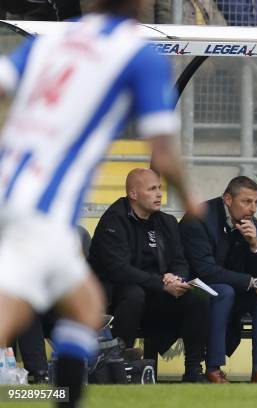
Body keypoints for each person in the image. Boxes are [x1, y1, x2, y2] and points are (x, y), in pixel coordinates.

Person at [0, 0, 200, 406]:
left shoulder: (56, 39)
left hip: (15, 185)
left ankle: (65, 398)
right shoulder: (136, 52)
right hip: (40, 203)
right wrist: (191, 197)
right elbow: (161, 153)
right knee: (13, 308)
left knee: (86, 305)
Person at [88, 168, 209, 382]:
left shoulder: (167, 222)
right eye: (152, 189)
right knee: (134, 293)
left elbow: (180, 260)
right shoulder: (113, 221)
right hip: (118, 296)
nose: (159, 194)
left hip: (156, 294)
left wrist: (176, 278)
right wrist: (161, 284)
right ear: (133, 194)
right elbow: (119, 269)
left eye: (160, 188)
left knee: (197, 296)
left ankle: (193, 371)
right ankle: (118, 362)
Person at [179, 176, 257, 384]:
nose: (253, 209)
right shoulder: (198, 218)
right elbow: (205, 271)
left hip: (232, 287)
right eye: (246, 201)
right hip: (195, 288)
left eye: (256, 202)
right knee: (225, 291)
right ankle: (213, 368)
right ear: (227, 199)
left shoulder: (252, 225)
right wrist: (253, 283)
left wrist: (254, 246)